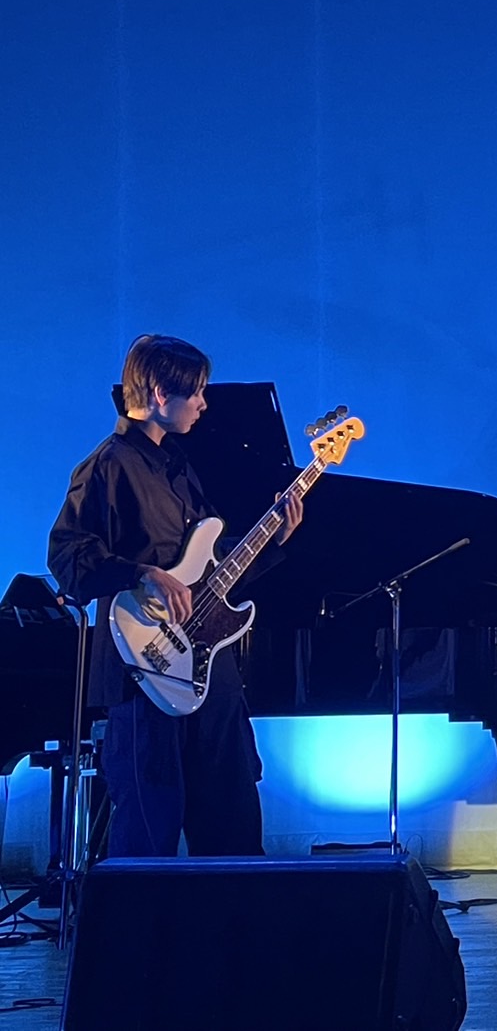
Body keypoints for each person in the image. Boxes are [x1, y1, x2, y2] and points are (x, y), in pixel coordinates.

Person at [48, 334, 303, 858]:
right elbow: (68, 560)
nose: (205, 404)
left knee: (232, 823)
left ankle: (230, 915)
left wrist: (273, 538)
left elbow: (211, 572)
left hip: (208, 671)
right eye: (197, 392)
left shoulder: (180, 468)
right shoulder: (107, 466)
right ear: (161, 394)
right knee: (148, 833)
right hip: (141, 673)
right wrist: (142, 573)